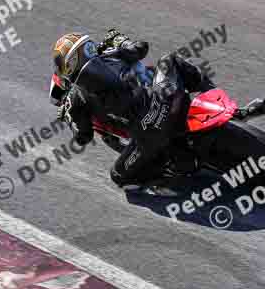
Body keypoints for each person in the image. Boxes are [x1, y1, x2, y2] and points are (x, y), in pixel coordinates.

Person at [51, 29, 214, 188]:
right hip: (165, 100)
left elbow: (83, 137)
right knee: (169, 61)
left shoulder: (74, 98)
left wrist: (68, 116)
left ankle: (173, 171)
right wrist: (122, 41)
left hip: (149, 132)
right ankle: (213, 96)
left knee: (118, 177)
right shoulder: (111, 54)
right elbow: (142, 47)